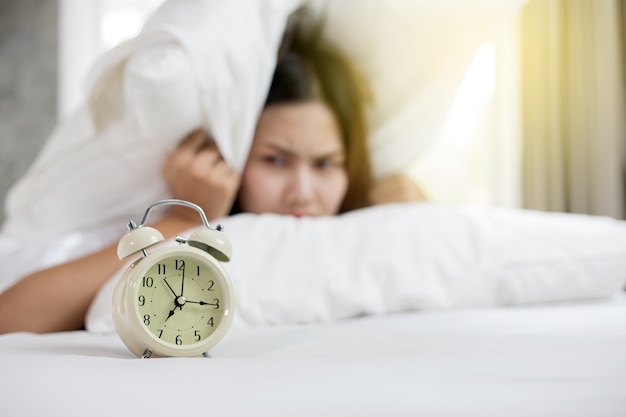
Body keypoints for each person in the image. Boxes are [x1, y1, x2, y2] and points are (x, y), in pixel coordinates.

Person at [0, 12, 424, 334]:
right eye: (275, 160)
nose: (303, 193)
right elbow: (11, 317)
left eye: (326, 164)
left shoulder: (365, 231)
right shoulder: (174, 220)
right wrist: (182, 222)